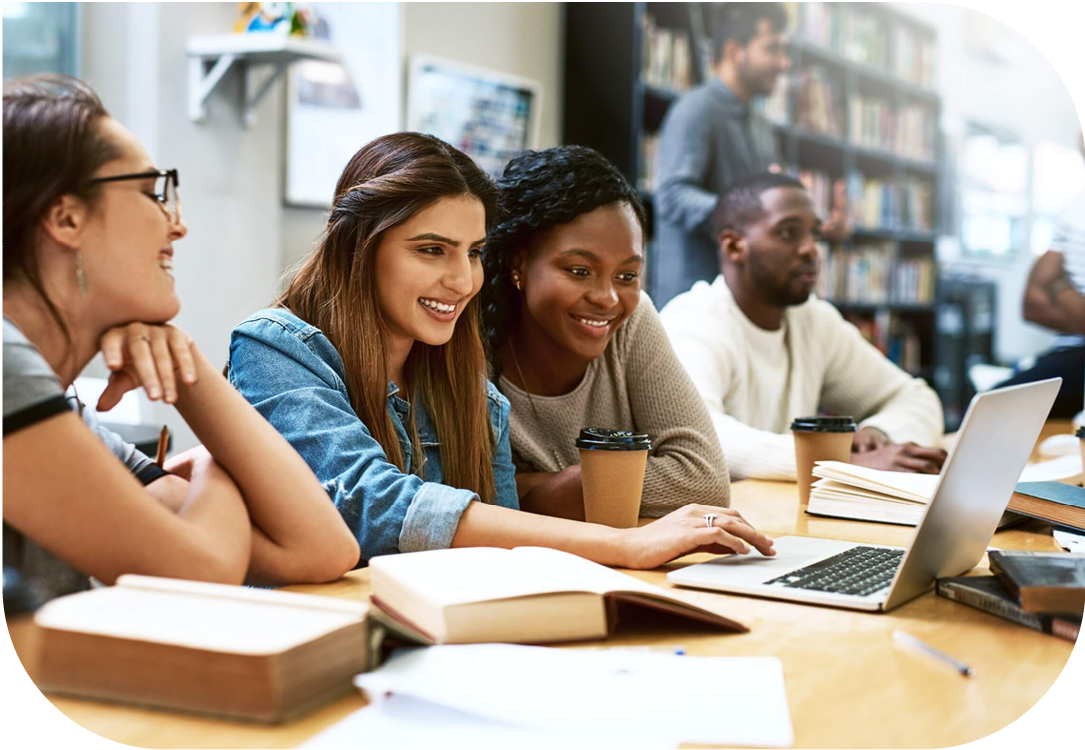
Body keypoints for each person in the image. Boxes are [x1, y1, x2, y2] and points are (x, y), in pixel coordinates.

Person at [227, 132, 774, 569]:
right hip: (301, 640)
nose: (462, 280)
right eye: (432, 250)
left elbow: (503, 545)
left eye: (472, 253)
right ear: (358, 247)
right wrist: (628, 546)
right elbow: (373, 507)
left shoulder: (465, 383)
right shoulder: (274, 349)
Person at [2, 75, 360, 602]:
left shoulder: (62, 410)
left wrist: (190, 373)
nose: (177, 225)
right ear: (66, 218)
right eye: (151, 193)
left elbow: (319, 547)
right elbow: (201, 569)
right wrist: (215, 461)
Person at [480, 145, 730, 521]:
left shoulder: (632, 320)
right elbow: (462, 494)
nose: (608, 297)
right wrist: (607, 483)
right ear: (519, 263)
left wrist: (546, 486)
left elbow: (705, 480)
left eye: (627, 275)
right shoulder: (470, 335)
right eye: (579, 270)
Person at [661, 173, 946, 481]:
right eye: (788, 233)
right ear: (733, 247)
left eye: (815, 235)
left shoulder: (814, 320)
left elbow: (916, 397)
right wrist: (840, 462)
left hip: (778, 513)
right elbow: (701, 436)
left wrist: (877, 432)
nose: (811, 250)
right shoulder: (693, 321)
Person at [996, 132, 1085, 418]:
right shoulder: (1073, 211)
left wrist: (1059, 285)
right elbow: (1031, 303)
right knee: (992, 406)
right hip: (1071, 353)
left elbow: (1046, 285)